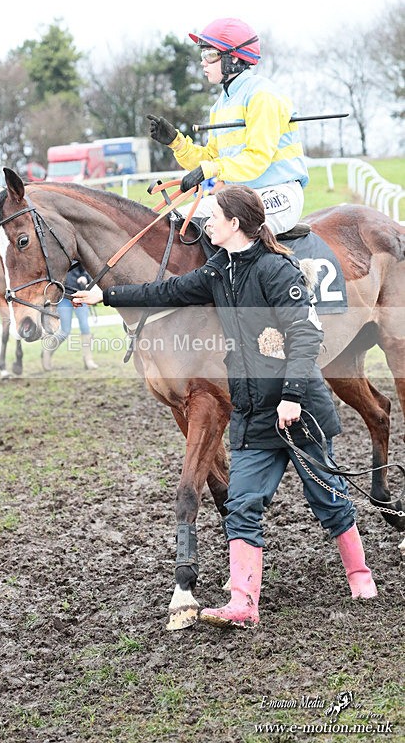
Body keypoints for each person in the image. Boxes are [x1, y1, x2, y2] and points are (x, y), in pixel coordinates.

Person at [72, 184, 377, 628]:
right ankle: (243, 602)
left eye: (213, 216)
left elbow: (306, 335)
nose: (205, 222)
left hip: (298, 408)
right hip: (253, 411)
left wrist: (292, 396)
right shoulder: (219, 271)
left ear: (235, 224)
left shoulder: (278, 271)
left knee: (326, 498)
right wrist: (106, 297)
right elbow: (169, 292)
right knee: (242, 503)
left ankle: (359, 574)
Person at [147, 18, 309, 235]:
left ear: (233, 58)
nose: (203, 62)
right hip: (241, 197)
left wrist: (210, 170)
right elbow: (212, 158)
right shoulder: (220, 105)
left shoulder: (262, 96)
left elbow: (257, 159)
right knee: (173, 224)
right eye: (202, 55)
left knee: (229, 233)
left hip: (278, 193)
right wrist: (176, 143)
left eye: (210, 55)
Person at [41, 262, 98, 371]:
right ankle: (47, 353)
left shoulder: (76, 256)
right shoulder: (57, 257)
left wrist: (85, 277)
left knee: (85, 328)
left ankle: (88, 359)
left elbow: (86, 269)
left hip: (80, 295)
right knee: (65, 331)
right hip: (64, 298)